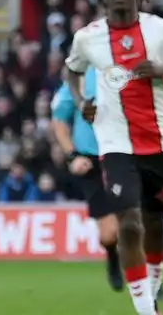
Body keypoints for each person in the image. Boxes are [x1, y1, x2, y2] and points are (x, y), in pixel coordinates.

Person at [64, 0, 163, 315]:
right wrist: (80, 102)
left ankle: (151, 305)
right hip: (115, 145)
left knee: (155, 229)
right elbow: (71, 71)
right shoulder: (87, 38)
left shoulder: (162, 31)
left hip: (159, 145)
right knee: (130, 226)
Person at [52, 67, 123, 291]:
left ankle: (151, 279)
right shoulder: (80, 77)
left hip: (124, 155)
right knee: (109, 234)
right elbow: (59, 120)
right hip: (91, 161)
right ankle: (112, 256)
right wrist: (72, 156)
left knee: (135, 223)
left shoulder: (124, 71)